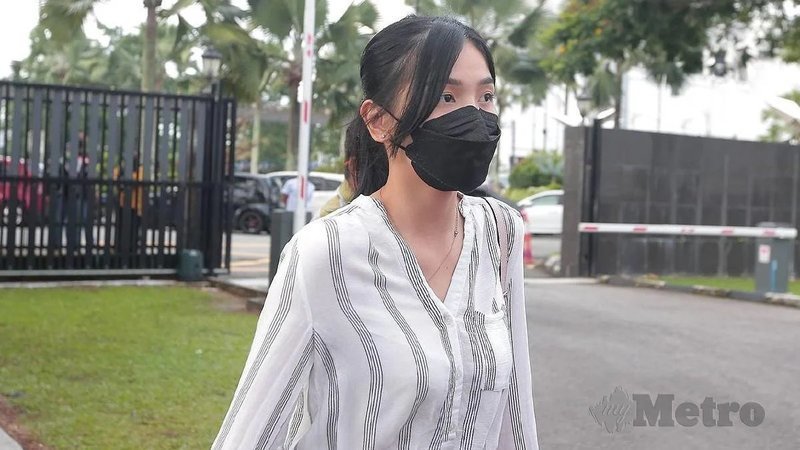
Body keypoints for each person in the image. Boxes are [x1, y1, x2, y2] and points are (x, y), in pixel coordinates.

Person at [213, 15, 539, 449]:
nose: (475, 117)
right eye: (446, 96)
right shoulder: (327, 251)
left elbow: (513, 413)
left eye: (486, 96)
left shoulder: (499, 231)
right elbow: (252, 430)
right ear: (379, 120)